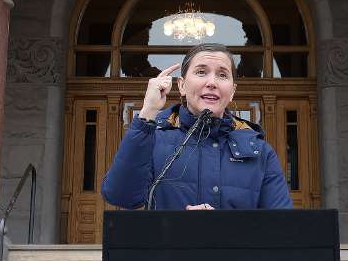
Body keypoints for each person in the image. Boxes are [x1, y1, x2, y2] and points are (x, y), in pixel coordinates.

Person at [100, 42, 291, 210]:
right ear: (181, 86)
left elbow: (280, 225)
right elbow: (120, 196)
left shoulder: (260, 151)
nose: (212, 82)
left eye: (222, 75)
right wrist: (147, 112)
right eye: (201, 72)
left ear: (232, 91)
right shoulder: (154, 138)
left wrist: (222, 226)